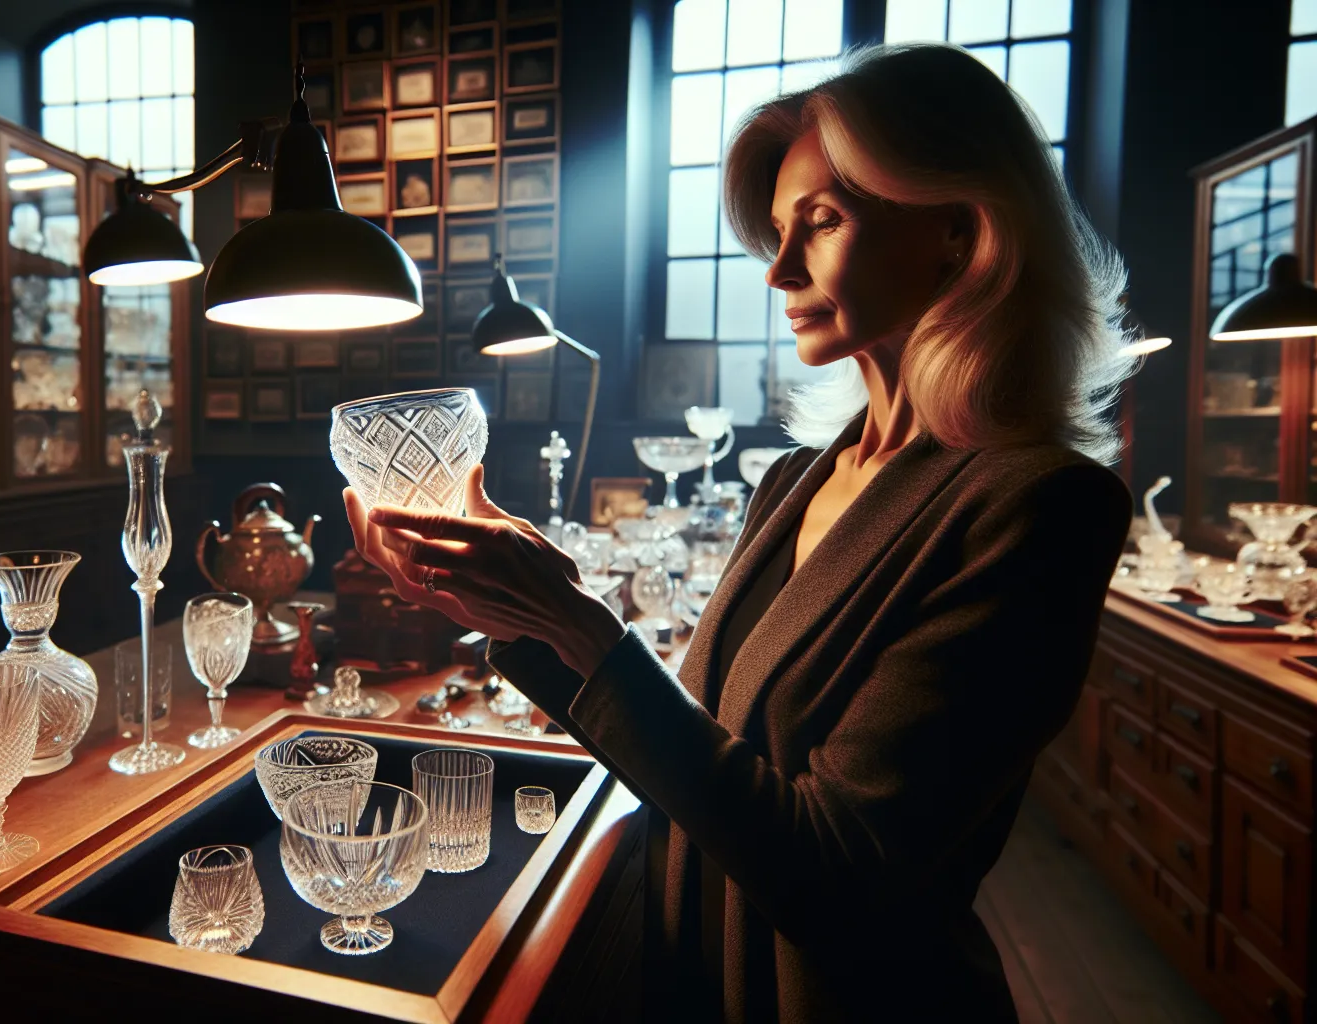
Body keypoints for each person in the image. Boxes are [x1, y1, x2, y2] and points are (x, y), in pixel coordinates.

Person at [345, 43, 1137, 1022]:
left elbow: (842, 875)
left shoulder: (1039, 507)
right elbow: (696, 748)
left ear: (956, 231)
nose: (779, 270)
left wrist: (582, 623)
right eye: (778, 230)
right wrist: (512, 611)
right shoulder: (798, 482)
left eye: (824, 221)